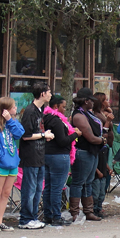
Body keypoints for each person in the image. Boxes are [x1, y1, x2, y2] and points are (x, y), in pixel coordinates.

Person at [70, 87, 109, 221]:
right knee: (78, 182)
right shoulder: (78, 116)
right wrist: (102, 140)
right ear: (86, 101)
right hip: (82, 152)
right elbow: (90, 137)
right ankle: (74, 212)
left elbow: (101, 124)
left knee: (88, 182)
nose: (93, 103)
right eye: (91, 100)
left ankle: (88, 211)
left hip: (92, 151)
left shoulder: (88, 114)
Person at [18, 81, 52, 229]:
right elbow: (25, 135)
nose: (51, 94)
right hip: (30, 155)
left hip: (39, 155)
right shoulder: (30, 111)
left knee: (38, 188)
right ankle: (25, 219)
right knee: (30, 188)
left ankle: (33, 216)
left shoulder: (41, 110)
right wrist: (44, 135)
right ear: (42, 94)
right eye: (49, 92)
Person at [42, 94, 80, 226]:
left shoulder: (45, 118)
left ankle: (47, 215)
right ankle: (56, 217)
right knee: (57, 188)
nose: (65, 109)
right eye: (63, 107)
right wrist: (75, 134)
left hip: (46, 155)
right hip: (59, 156)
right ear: (55, 106)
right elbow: (62, 141)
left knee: (48, 187)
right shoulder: (56, 121)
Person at [0, 96, 24, 232]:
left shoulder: (12, 122)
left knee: (6, 193)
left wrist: (9, 120)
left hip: (13, 162)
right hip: (0, 162)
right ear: (6, 109)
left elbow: (19, 133)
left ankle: (0, 220)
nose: (16, 108)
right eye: (13, 106)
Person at [92, 92, 115, 217]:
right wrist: (107, 121)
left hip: (106, 148)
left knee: (105, 179)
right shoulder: (97, 117)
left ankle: (99, 205)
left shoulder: (103, 114)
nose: (108, 102)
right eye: (106, 100)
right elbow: (102, 133)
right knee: (97, 183)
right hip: (100, 148)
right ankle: (95, 207)